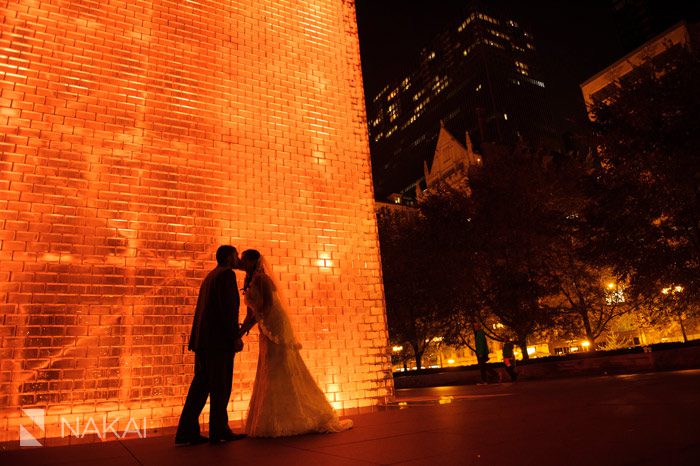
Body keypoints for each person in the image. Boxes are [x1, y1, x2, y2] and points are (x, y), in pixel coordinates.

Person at [239, 249, 353, 437]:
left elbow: (266, 306)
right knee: (268, 366)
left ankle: (296, 415)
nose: (242, 263)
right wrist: (243, 329)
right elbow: (252, 311)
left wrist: (251, 326)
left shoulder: (262, 279)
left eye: (244, 260)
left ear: (253, 261)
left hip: (274, 324)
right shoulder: (250, 281)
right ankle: (275, 416)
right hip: (264, 325)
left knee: (280, 365)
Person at [175, 245, 247, 445]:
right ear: (230, 257)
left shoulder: (211, 276)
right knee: (221, 387)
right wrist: (235, 336)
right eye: (236, 256)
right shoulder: (227, 276)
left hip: (203, 341)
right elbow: (228, 311)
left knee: (200, 387)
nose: (238, 259)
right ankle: (219, 431)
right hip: (218, 343)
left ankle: (186, 432)